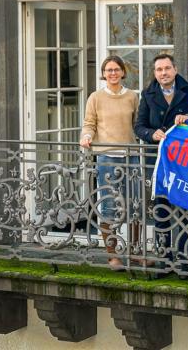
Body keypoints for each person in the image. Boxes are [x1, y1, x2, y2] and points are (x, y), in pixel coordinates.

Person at [134, 53, 188, 264]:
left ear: (175, 70)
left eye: (167, 68)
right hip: (158, 160)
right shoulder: (147, 94)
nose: (163, 73)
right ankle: (164, 259)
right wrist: (151, 134)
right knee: (161, 208)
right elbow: (139, 127)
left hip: (185, 161)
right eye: (159, 70)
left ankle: (184, 260)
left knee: (185, 209)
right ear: (155, 73)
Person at [80, 55, 139, 271]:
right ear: (103, 74)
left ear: (123, 72)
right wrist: (86, 136)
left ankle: (134, 252)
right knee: (108, 206)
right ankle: (112, 256)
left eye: (116, 70)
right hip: (106, 157)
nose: (112, 73)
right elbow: (89, 124)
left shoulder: (132, 96)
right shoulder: (95, 97)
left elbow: (137, 125)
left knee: (135, 205)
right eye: (108, 70)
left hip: (131, 156)